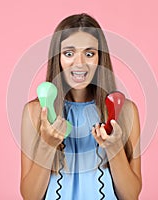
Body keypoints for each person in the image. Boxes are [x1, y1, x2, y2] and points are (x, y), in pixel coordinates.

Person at [20, 13, 142, 200]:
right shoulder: (35, 112)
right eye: (69, 53)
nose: (79, 63)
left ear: (100, 58)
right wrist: (47, 146)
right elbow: (30, 196)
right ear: (57, 58)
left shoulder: (125, 112)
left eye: (89, 53)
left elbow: (131, 195)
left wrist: (114, 148)